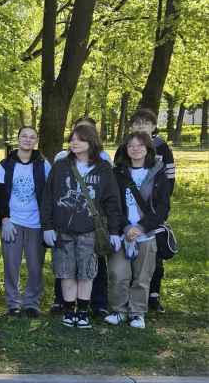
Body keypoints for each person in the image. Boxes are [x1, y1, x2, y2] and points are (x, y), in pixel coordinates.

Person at [42, 123, 122, 329]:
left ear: (91, 142)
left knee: (86, 272)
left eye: (79, 139)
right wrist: (47, 226)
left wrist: (114, 231)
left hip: (89, 231)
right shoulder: (60, 166)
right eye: (72, 139)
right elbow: (48, 197)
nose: (73, 142)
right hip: (62, 231)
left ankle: (83, 313)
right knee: (66, 271)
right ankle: (69, 312)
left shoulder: (103, 168)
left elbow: (112, 202)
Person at [105, 132, 170, 329]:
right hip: (121, 232)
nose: (136, 149)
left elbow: (163, 207)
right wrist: (126, 227)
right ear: (125, 149)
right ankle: (119, 310)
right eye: (131, 145)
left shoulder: (158, 173)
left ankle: (137, 313)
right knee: (118, 274)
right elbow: (111, 204)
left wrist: (141, 227)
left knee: (142, 277)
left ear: (148, 149)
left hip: (146, 234)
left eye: (140, 145)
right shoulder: (117, 173)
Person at [113, 108, 175, 312]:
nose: (141, 127)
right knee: (120, 270)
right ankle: (121, 307)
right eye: (137, 123)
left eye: (145, 123)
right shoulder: (122, 156)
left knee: (149, 266)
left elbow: (167, 187)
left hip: (149, 220)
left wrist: (150, 218)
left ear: (153, 126)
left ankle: (148, 300)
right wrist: (125, 226)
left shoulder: (161, 151)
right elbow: (114, 193)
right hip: (124, 223)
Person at [0, 125, 51, 318]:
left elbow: (48, 196)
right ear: (18, 139)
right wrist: (5, 219)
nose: (27, 139)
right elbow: (0, 195)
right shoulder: (5, 165)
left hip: (36, 223)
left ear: (36, 141)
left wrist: (47, 223)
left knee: (35, 266)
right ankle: (13, 303)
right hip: (13, 222)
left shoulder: (43, 165)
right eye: (24, 136)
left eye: (32, 137)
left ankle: (31, 303)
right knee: (11, 265)